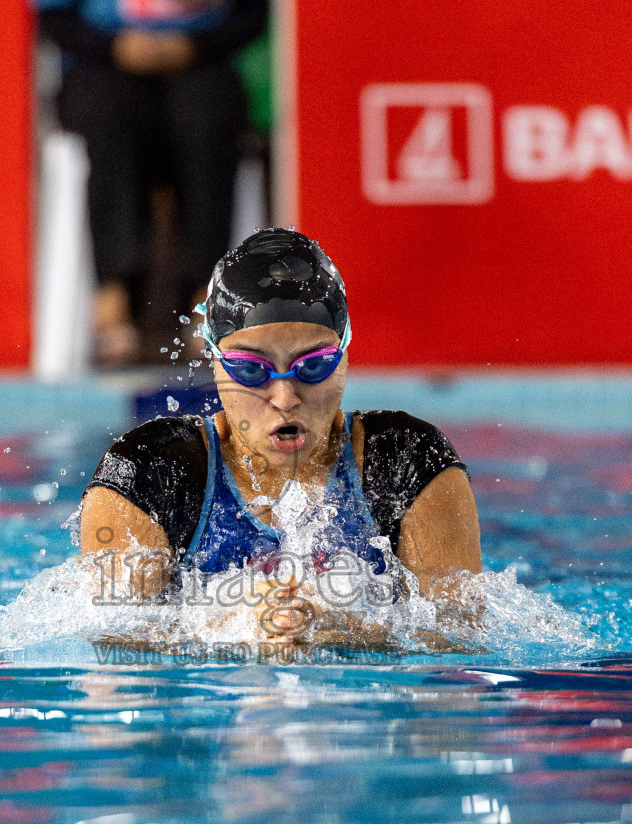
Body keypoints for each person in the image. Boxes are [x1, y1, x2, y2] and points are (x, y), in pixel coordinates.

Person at [79, 228, 482, 644]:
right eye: (251, 370)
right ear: (214, 362)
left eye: (314, 366)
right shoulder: (147, 474)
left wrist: (345, 631)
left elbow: (462, 638)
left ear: (345, 355)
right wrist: (234, 629)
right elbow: (114, 648)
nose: (285, 397)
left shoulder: (408, 462)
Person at [37, 0, 269, 365]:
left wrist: (194, 46)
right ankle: (114, 295)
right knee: (108, 112)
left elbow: (254, 14)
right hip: (101, 64)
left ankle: (208, 296)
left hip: (204, 61)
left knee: (206, 113)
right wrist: (113, 47)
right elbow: (52, 18)